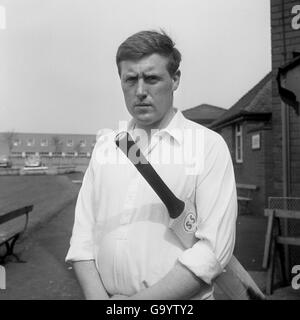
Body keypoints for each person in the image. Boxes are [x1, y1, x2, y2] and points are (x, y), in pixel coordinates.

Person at [65, 30, 237, 300]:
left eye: (152, 78)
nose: (141, 91)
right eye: (131, 79)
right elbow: (82, 239)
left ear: (175, 79)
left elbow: (212, 251)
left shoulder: (208, 146)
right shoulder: (106, 147)